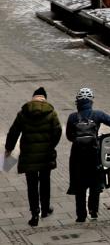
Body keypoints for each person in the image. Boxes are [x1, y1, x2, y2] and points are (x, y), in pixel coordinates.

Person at [65, 88, 110, 223]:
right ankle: (93, 212)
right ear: (91, 101)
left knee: (80, 185)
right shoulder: (97, 114)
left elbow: (69, 137)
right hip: (94, 153)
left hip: (77, 155)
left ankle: (81, 215)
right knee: (94, 183)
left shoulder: (72, 117)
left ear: (78, 103)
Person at [5, 87, 62, 227]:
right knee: (45, 182)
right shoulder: (51, 113)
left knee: (32, 185)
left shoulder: (23, 113)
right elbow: (58, 131)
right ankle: (46, 208)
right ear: (44, 98)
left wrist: (9, 148)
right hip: (46, 155)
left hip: (28, 155)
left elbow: (14, 132)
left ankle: (34, 214)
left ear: (33, 97)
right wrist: (51, 145)